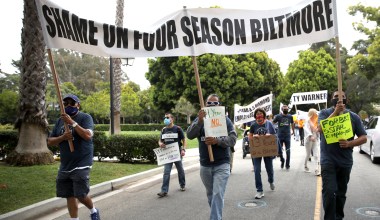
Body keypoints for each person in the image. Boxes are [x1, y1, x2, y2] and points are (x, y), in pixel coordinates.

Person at [47, 94, 100, 220]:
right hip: (65, 165)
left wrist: (72, 123)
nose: (69, 106)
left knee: (80, 195)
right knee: (69, 195)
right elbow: (49, 141)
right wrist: (62, 138)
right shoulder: (60, 121)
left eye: (72, 103)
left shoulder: (85, 117)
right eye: (66, 104)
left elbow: (88, 135)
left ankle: (93, 211)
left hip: (82, 162)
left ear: (78, 104)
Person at [187, 94, 237, 220]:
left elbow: (232, 139)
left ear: (219, 105)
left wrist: (217, 141)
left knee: (217, 194)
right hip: (205, 165)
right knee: (211, 195)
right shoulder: (200, 119)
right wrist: (198, 121)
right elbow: (189, 135)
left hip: (222, 164)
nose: (212, 106)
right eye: (209, 103)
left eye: (215, 104)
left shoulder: (225, 121)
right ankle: (217, 215)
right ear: (205, 105)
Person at [318, 90, 367, 220]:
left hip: (345, 161)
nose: (339, 99)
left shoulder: (354, 117)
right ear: (332, 99)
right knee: (329, 192)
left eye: (342, 97)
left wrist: (350, 143)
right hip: (328, 160)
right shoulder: (324, 113)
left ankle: (338, 217)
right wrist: (335, 112)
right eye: (336, 97)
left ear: (347, 100)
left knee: (340, 193)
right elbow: (320, 129)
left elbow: (363, 137)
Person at [248, 108, 276, 199]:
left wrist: (269, 136)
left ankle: (271, 181)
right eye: (257, 114)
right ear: (255, 116)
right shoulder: (253, 125)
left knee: (269, 168)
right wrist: (253, 137)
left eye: (260, 114)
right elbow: (250, 137)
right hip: (257, 150)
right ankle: (259, 190)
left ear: (264, 115)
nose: (259, 116)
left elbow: (275, 136)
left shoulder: (269, 124)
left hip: (267, 150)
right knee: (256, 170)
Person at [157, 113, 187, 198]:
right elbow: (160, 140)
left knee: (180, 170)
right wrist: (160, 144)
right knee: (166, 172)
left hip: (177, 153)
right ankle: (164, 190)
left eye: (167, 117)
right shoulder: (163, 130)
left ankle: (182, 185)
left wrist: (183, 149)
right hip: (167, 154)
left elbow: (184, 140)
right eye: (165, 117)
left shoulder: (177, 129)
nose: (165, 119)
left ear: (172, 119)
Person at [273, 104, 294, 170]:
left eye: (287, 109)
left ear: (288, 110)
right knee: (280, 151)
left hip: (287, 135)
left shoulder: (290, 116)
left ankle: (287, 164)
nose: (286, 110)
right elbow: (272, 123)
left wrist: (292, 131)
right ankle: (282, 160)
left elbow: (292, 123)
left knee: (288, 150)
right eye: (284, 109)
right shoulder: (278, 116)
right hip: (280, 135)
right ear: (282, 110)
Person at [303, 108, 320, 175]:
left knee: (316, 154)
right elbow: (306, 129)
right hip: (309, 139)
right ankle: (305, 166)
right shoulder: (307, 120)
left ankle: (317, 169)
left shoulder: (317, 120)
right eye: (315, 112)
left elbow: (318, 129)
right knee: (308, 154)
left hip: (315, 138)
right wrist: (310, 136)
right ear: (312, 113)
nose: (316, 114)